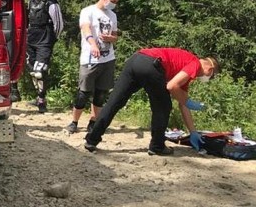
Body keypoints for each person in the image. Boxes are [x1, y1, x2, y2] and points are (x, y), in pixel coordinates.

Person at [84, 48, 219, 156]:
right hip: (151, 65)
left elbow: (182, 103)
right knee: (163, 106)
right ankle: (157, 146)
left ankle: (92, 139)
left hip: (136, 59)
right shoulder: (195, 64)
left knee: (114, 102)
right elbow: (172, 86)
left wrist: (193, 132)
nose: (206, 79)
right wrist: (190, 102)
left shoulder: (186, 65)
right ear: (210, 70)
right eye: (210, 77)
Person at [67, 0, 123, 135]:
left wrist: (111, 38)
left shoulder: (112, 15)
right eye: (112, 0)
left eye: (116, 2)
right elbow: (85, 28)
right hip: (90, 58)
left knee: (101, 93)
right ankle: (74, 122)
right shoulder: (88, 11)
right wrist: (93, 44)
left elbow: (115, 35)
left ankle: (93, 122)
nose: (113, 4)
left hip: (108, 58)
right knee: (83, 93)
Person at [25, 0, 64, 112]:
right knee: (32, 71)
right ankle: (39, 97)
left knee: (40, 71)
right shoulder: (31, 1)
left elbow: (59, 24)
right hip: (31, 39)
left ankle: (42, 100)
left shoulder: (52, 3)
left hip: (45, 40)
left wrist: (53, 39)